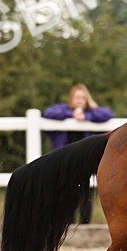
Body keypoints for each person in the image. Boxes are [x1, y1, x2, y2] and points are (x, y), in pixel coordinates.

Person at [42, 84, 114, 223]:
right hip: (65, 159)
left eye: (82, 97)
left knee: (85, 194)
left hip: (84, 159)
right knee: (65, 193)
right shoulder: (64, 110)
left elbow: (108, 114)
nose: (80, 100)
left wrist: (86, 116)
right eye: (77, 97)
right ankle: (68, 223)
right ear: (71, 99)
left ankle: (85, 224)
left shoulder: (93, 113)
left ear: (87, 99)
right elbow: (49, 113)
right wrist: (72, 115)